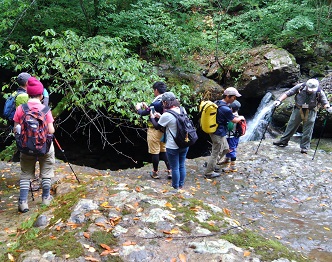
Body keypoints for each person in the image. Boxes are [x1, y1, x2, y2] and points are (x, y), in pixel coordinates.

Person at [13, 77, 55, 213]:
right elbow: (51, 130)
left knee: (25, 173)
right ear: (41, 95)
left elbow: (16, 128)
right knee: (46, 171)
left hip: (26, 147)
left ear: (28, 93)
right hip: (44, 147)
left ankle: (23, 203)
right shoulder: (46, 109)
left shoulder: (21, 108)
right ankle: (45, 199)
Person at [273, 79, 331, 154]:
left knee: (308, 129)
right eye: (310, 89)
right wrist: (279, 100)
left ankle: (305, 147)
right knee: (291, 125)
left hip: (311, 111)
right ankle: (283, 141)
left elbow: (324, 102)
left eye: (312, 90)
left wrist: (328, 108)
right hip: (298, 109)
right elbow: (288, 93)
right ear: (307, 86)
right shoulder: (300, 87)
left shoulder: (319, 92)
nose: (311, 91)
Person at [150, 92, 188, 191]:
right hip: (185, 142)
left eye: (163, 102)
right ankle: (180, 185)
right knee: (181, 165)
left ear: (165, 102)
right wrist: (160, 117)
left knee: (175, 167)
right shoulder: (182, 109)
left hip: (173, 145)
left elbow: (157, 126)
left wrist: (152, 117)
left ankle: (175, 188)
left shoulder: (166, 114)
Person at [205, 87, 245, 178]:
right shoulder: (226, 109)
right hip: (217, 132)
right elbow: (234, 120)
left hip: (218, 131)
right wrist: (241, 118)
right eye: (233, 97)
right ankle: (209, 172)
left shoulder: (218, 102)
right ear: (227, 96)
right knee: (216, 152)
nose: (234, 99)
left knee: (226, 149)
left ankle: (213, 164)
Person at [135, 81, 171, 179]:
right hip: (165, 130)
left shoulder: (156, 102)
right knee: (163, 150)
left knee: (155, 151)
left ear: (156, 90)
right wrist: (148, 107)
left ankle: (155, 172)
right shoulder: (168, 100)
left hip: (155, 130)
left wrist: (138, 108)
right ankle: (170, 170)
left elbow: (143, 113)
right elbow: (151, 110)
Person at [218, 100, 242, 172]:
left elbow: (230, 127)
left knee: (231, 150)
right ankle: (227, 159)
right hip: (233, 136)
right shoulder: (237, 115)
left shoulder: (233, 117)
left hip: (231, 136)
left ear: (231, 109)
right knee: (228, 148)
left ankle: (233, 166)